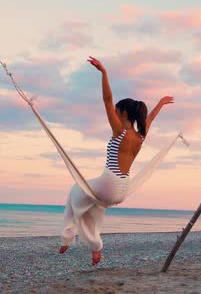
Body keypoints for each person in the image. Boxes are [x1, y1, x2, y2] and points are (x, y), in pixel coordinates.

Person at [59, 56, 174, 266]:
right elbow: (151, 117)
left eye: (116, 111)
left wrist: (104, 73)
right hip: (122, 190)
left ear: (122, 113)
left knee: (75, 192)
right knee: (91, 206)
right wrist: (161, 103)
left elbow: (107, 99)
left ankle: (68, 239)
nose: (113, 113)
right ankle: (95, 248)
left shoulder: (119, 130)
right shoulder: (141, 135)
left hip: (109, 182)